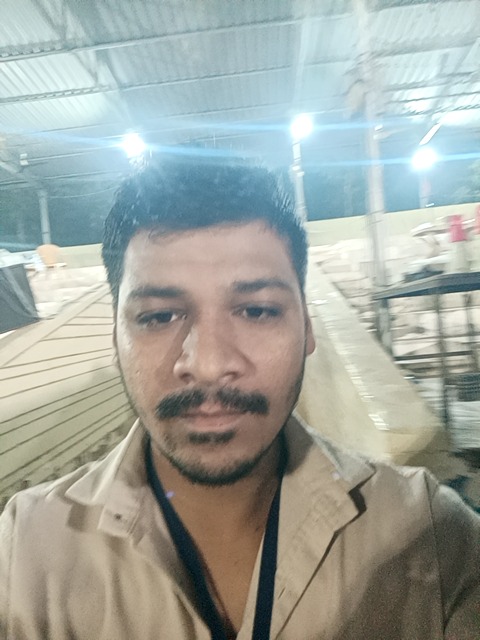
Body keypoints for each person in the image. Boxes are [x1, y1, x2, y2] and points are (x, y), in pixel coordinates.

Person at [1, 159, 479, 640]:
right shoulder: (22, 553)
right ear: (115, 337)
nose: (208, 364)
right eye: (159, 317)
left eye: (257, 310)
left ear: (308, 327)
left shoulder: (431, 536)